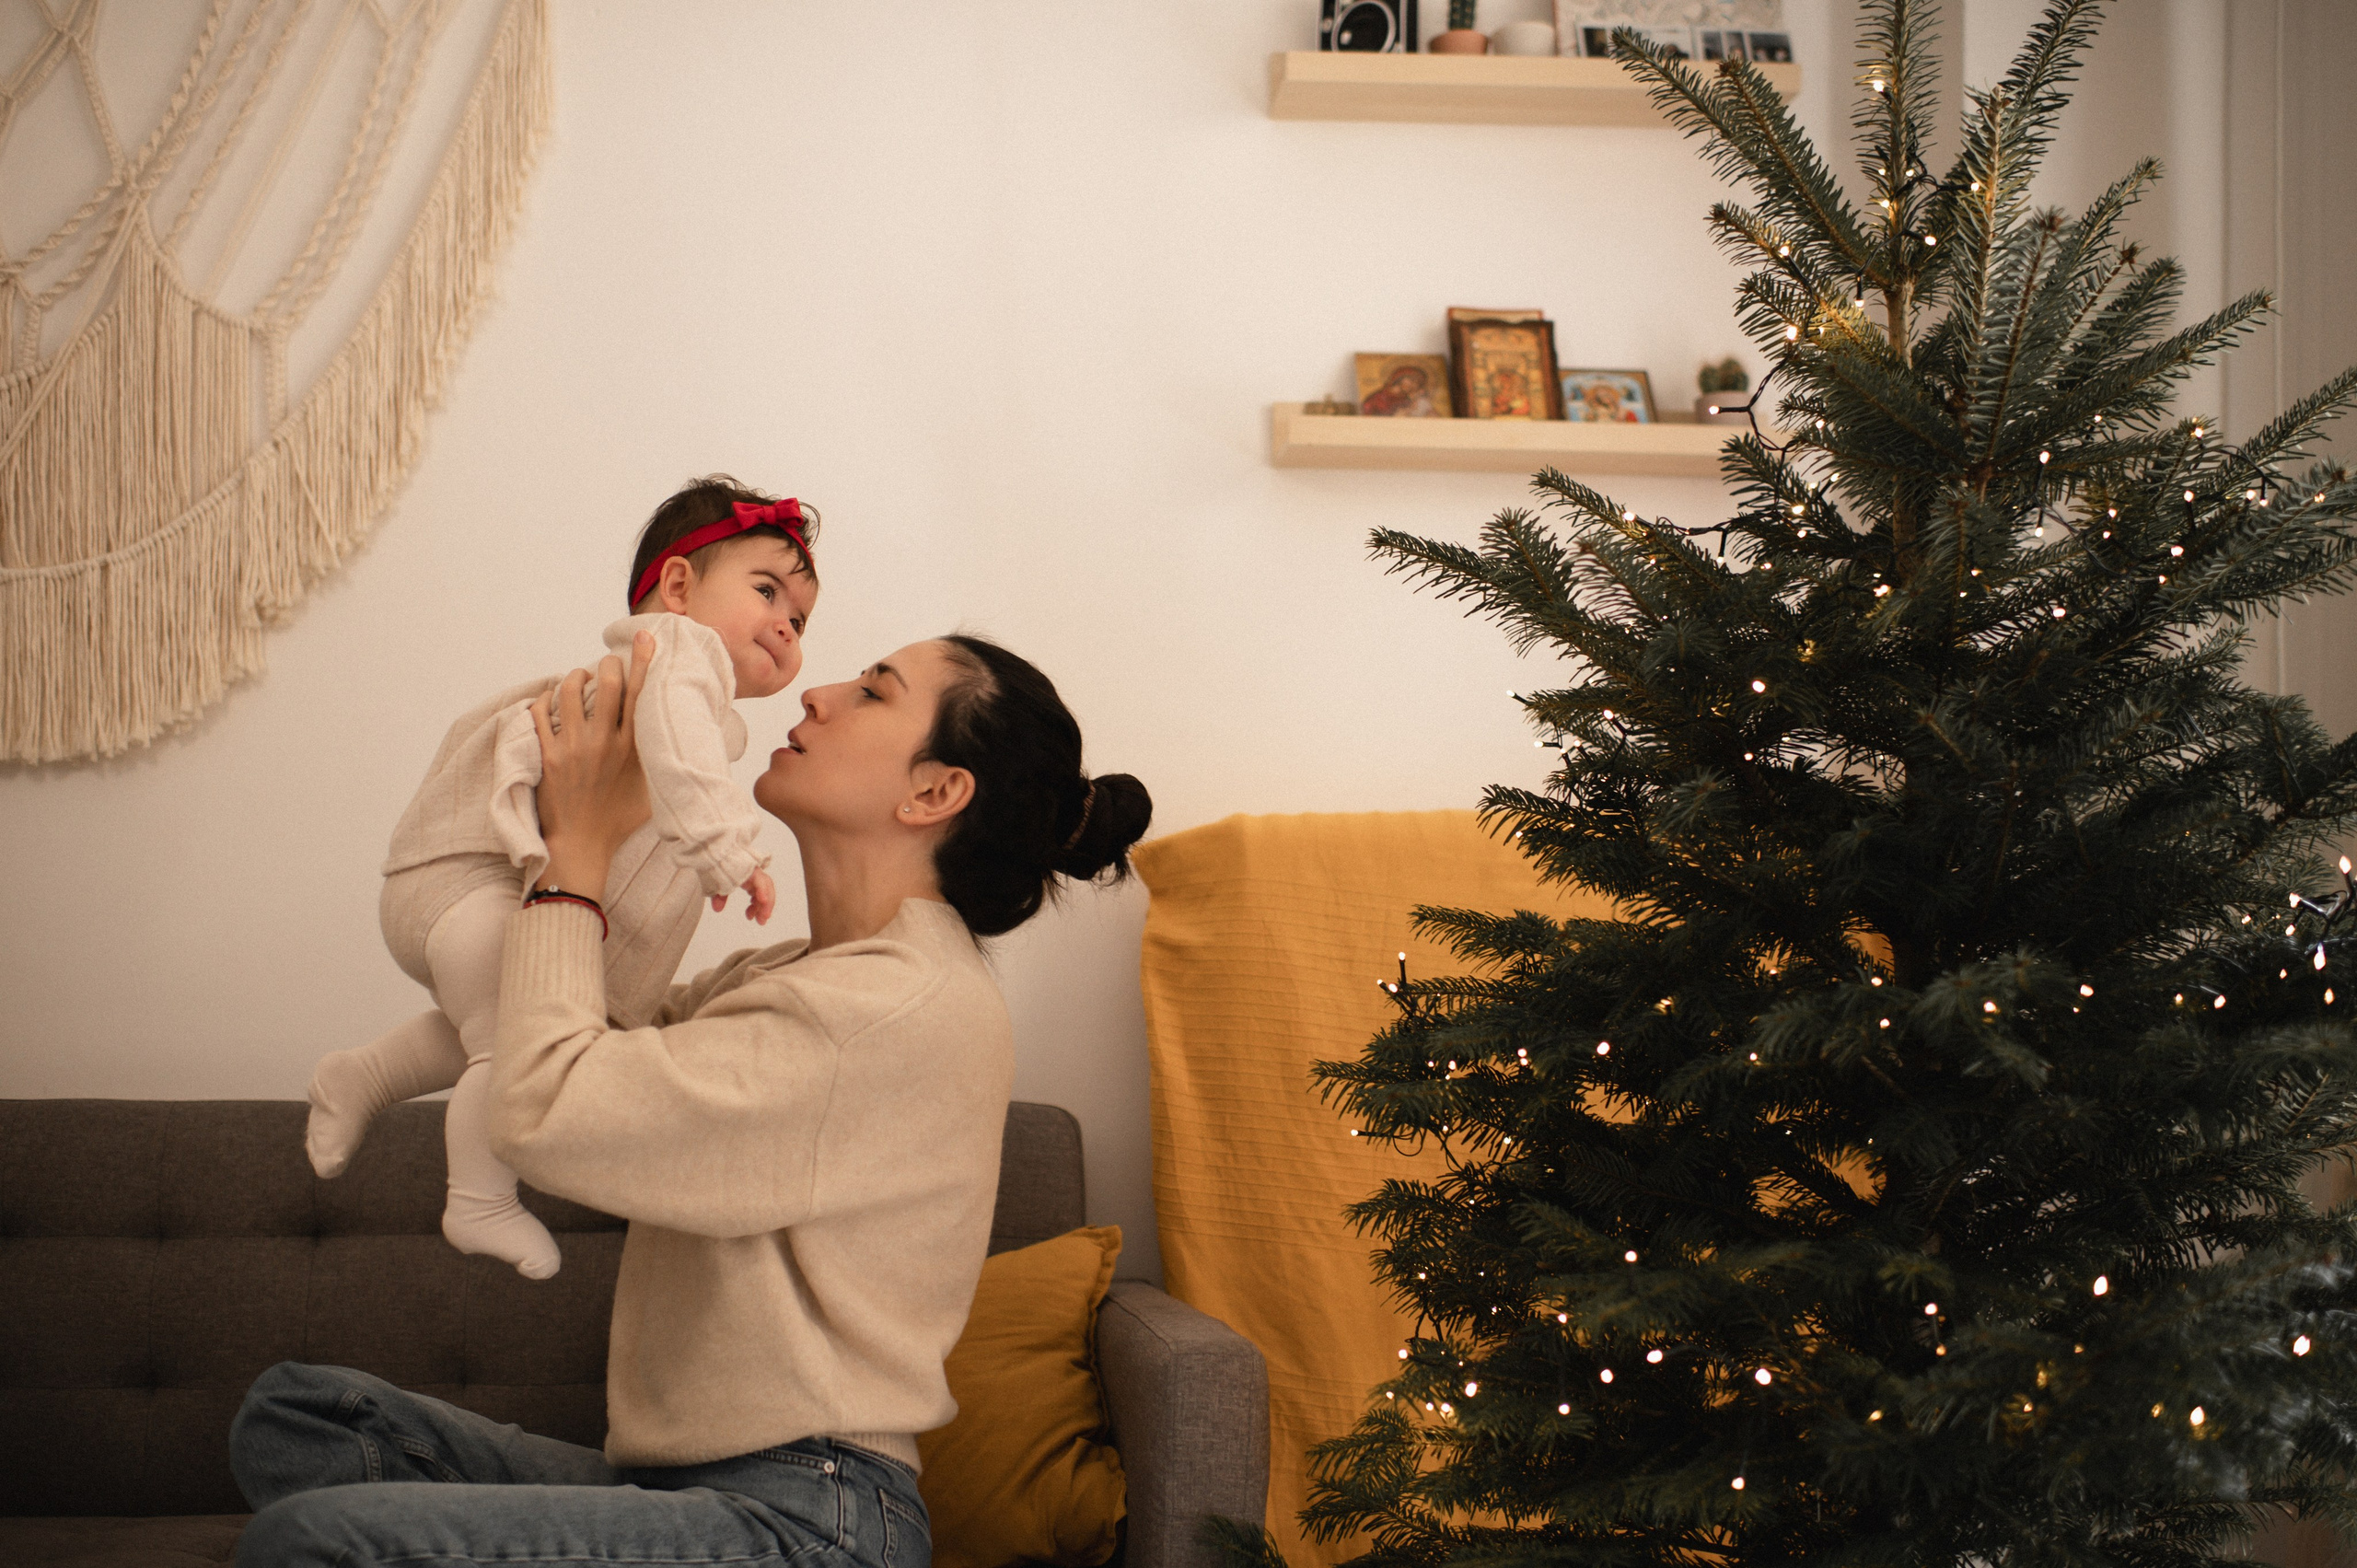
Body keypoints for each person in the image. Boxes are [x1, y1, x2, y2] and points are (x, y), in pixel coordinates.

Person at [229, 630, 1151, 1568]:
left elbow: (544, 1103)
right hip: (688, 1491)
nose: (818, 694)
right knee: (300, 1414)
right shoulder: (797, 973)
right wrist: (621, 816)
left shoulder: (891, 1007)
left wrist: (575, 849)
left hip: (810, 1523)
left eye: (873, 691)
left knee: (308, 1540)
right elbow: (580, 1027)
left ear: (934, 791)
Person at [302, 476, 818, 1279]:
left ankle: (360, 1075)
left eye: (801, 618)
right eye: (767, 590)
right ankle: (479, 1202)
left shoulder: (704, 707)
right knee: (512, 1043)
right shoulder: (679, 655)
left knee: (497, 1021)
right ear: (678, 587)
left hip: (476, 898)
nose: (786, 623)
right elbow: (680, 757)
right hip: (467, 880)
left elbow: (671, 781)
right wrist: (725, 850)